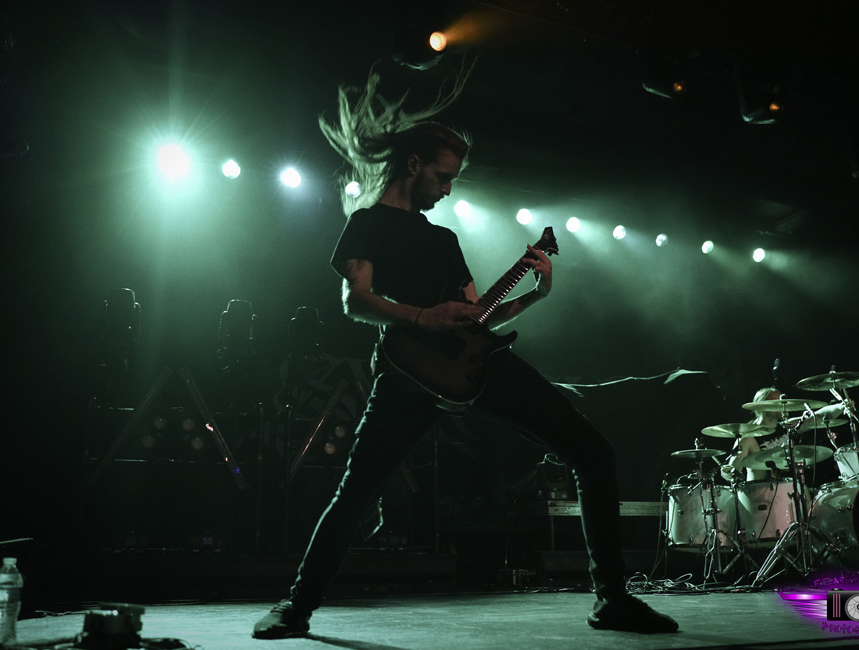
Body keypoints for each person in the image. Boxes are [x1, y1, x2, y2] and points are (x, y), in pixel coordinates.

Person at [252, 70, 678, 638]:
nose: (449, 189)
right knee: (358, 490)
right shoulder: (368, 224)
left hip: (474, 367)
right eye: (444, 176)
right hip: (407, 371)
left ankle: (612, 600)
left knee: (592, 452)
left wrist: (535, 293)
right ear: (414, 166)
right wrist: (423, 316)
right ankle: (295, 606)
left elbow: (477, 317)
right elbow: (357, 302)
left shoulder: (444, 240)